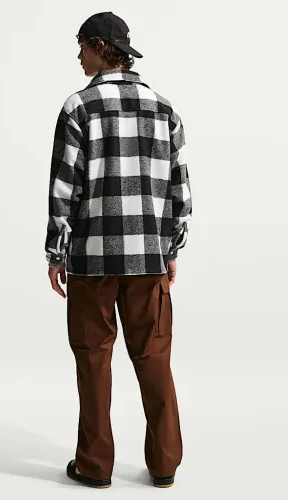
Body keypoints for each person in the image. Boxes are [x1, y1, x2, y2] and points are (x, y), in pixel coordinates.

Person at [44, 11, 192, 489]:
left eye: (82, 46)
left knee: (93, 359)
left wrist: (56, 252)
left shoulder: (78, 107)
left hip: (91, 259)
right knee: (154, 357)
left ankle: (94, 466)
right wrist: (172, 248)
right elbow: (180, 190)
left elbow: (64, 188)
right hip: (148, 257)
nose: (78, 55)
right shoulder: (163, 108)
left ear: (100, 48)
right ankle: (165, 464)